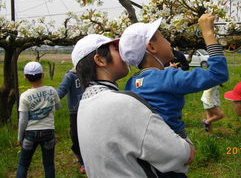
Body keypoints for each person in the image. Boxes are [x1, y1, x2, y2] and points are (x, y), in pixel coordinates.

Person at [119, 14, 228, 177]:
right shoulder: (167, 78)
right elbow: (218, 73)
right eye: (163, 37)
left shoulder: (132, 82)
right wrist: (208, 34)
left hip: (148, 154)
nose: (170, 42)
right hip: (173, 150)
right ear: (151, 47)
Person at [72, 34, 195, 178]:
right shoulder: (121, 103)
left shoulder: (85, 103)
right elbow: (181, 155)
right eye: (117, 49)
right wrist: (187, 144)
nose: (123, 54)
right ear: (100, 60)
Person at [16, 61, 61, 178]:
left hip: (30, 134)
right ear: (43, 75)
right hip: (48, 132)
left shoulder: (24, 96)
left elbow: (23, 120)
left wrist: (20, 137)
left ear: (25, 78)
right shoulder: (51, 90)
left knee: (23, 165)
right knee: (48, 165)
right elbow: (58, 107)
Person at [57, 68, 85, 174]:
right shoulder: (70, 76)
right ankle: (78, 154)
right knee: (75, 135)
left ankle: (84, 160)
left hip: (89, 107)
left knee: (86, 135)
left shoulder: (90, 72)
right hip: (75, 110)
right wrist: (49, 99)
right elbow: (61, 90)